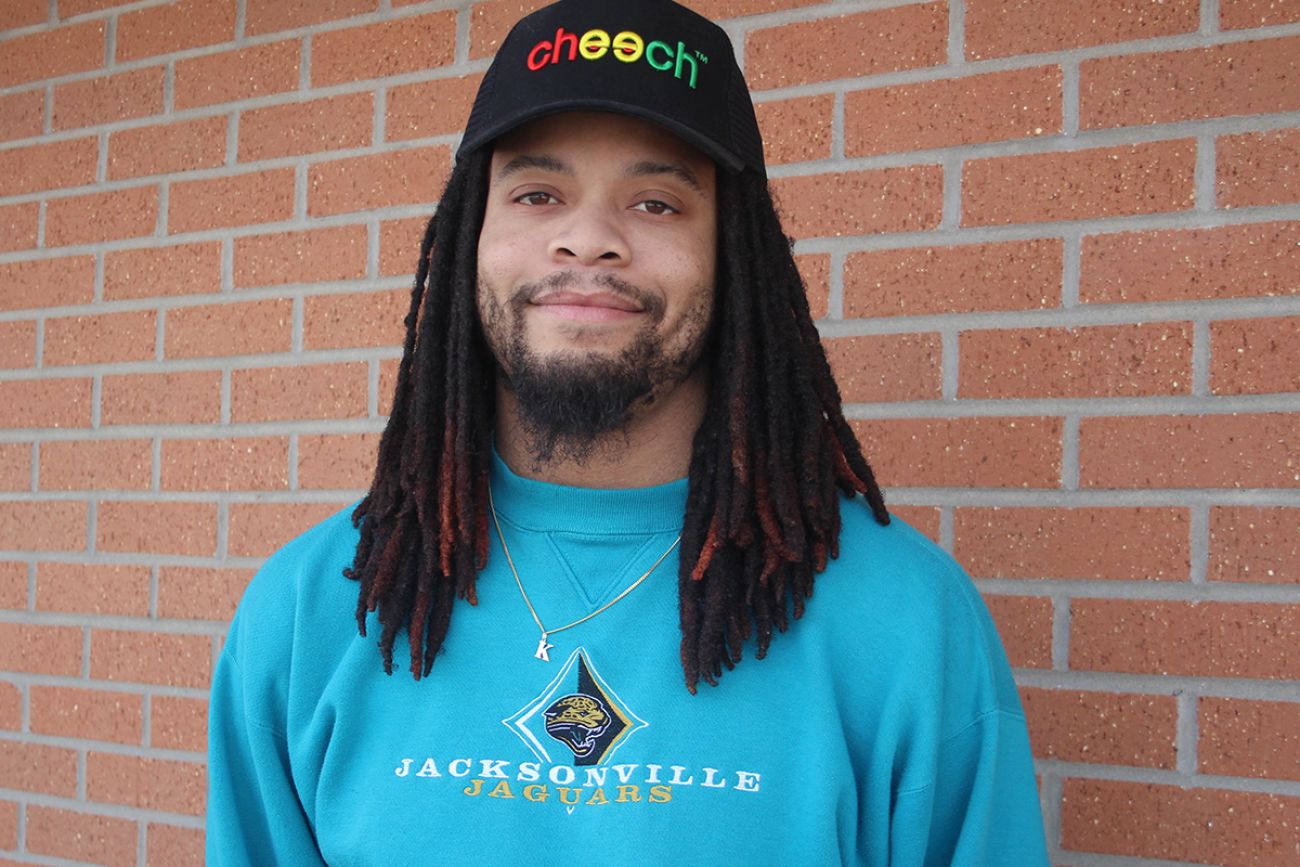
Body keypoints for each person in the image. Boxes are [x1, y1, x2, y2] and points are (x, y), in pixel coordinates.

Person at [205, 0, 1050, 863]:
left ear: (735, 257)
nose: (588, 239)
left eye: (656, 202)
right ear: (470, 238)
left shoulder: (905, 622)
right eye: (539, 194)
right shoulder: (313, 611)